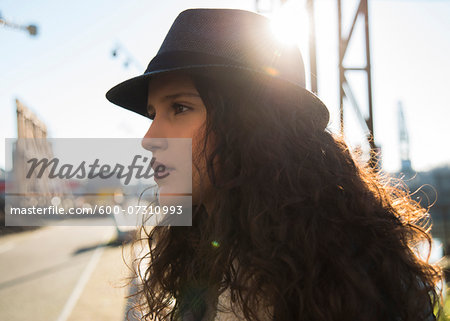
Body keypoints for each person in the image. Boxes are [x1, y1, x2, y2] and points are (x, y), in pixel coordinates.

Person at [106, 8, 443, 321]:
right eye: (152, 114)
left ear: (252, 125)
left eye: (179, 108)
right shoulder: (203, 254)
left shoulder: (340, 279)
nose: (150, 137)